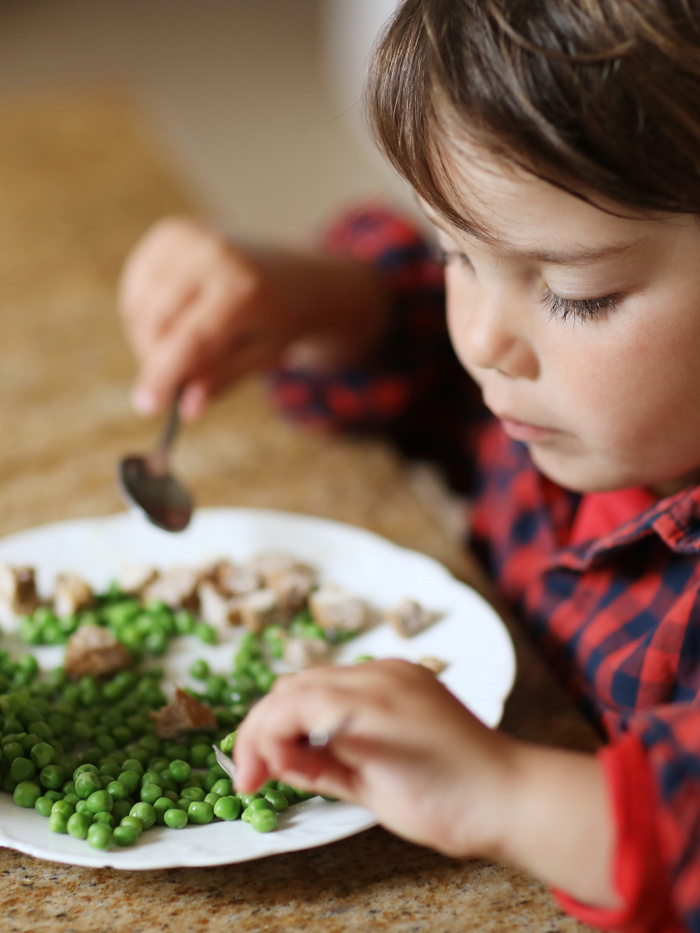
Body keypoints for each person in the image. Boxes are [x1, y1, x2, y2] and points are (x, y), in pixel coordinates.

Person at [118, 2, 700, 930]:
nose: (483, 338)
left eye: (576, 293)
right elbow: (421, 344)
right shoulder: (563, 395)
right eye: (456, 249)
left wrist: (508, 795)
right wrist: (307, 296)